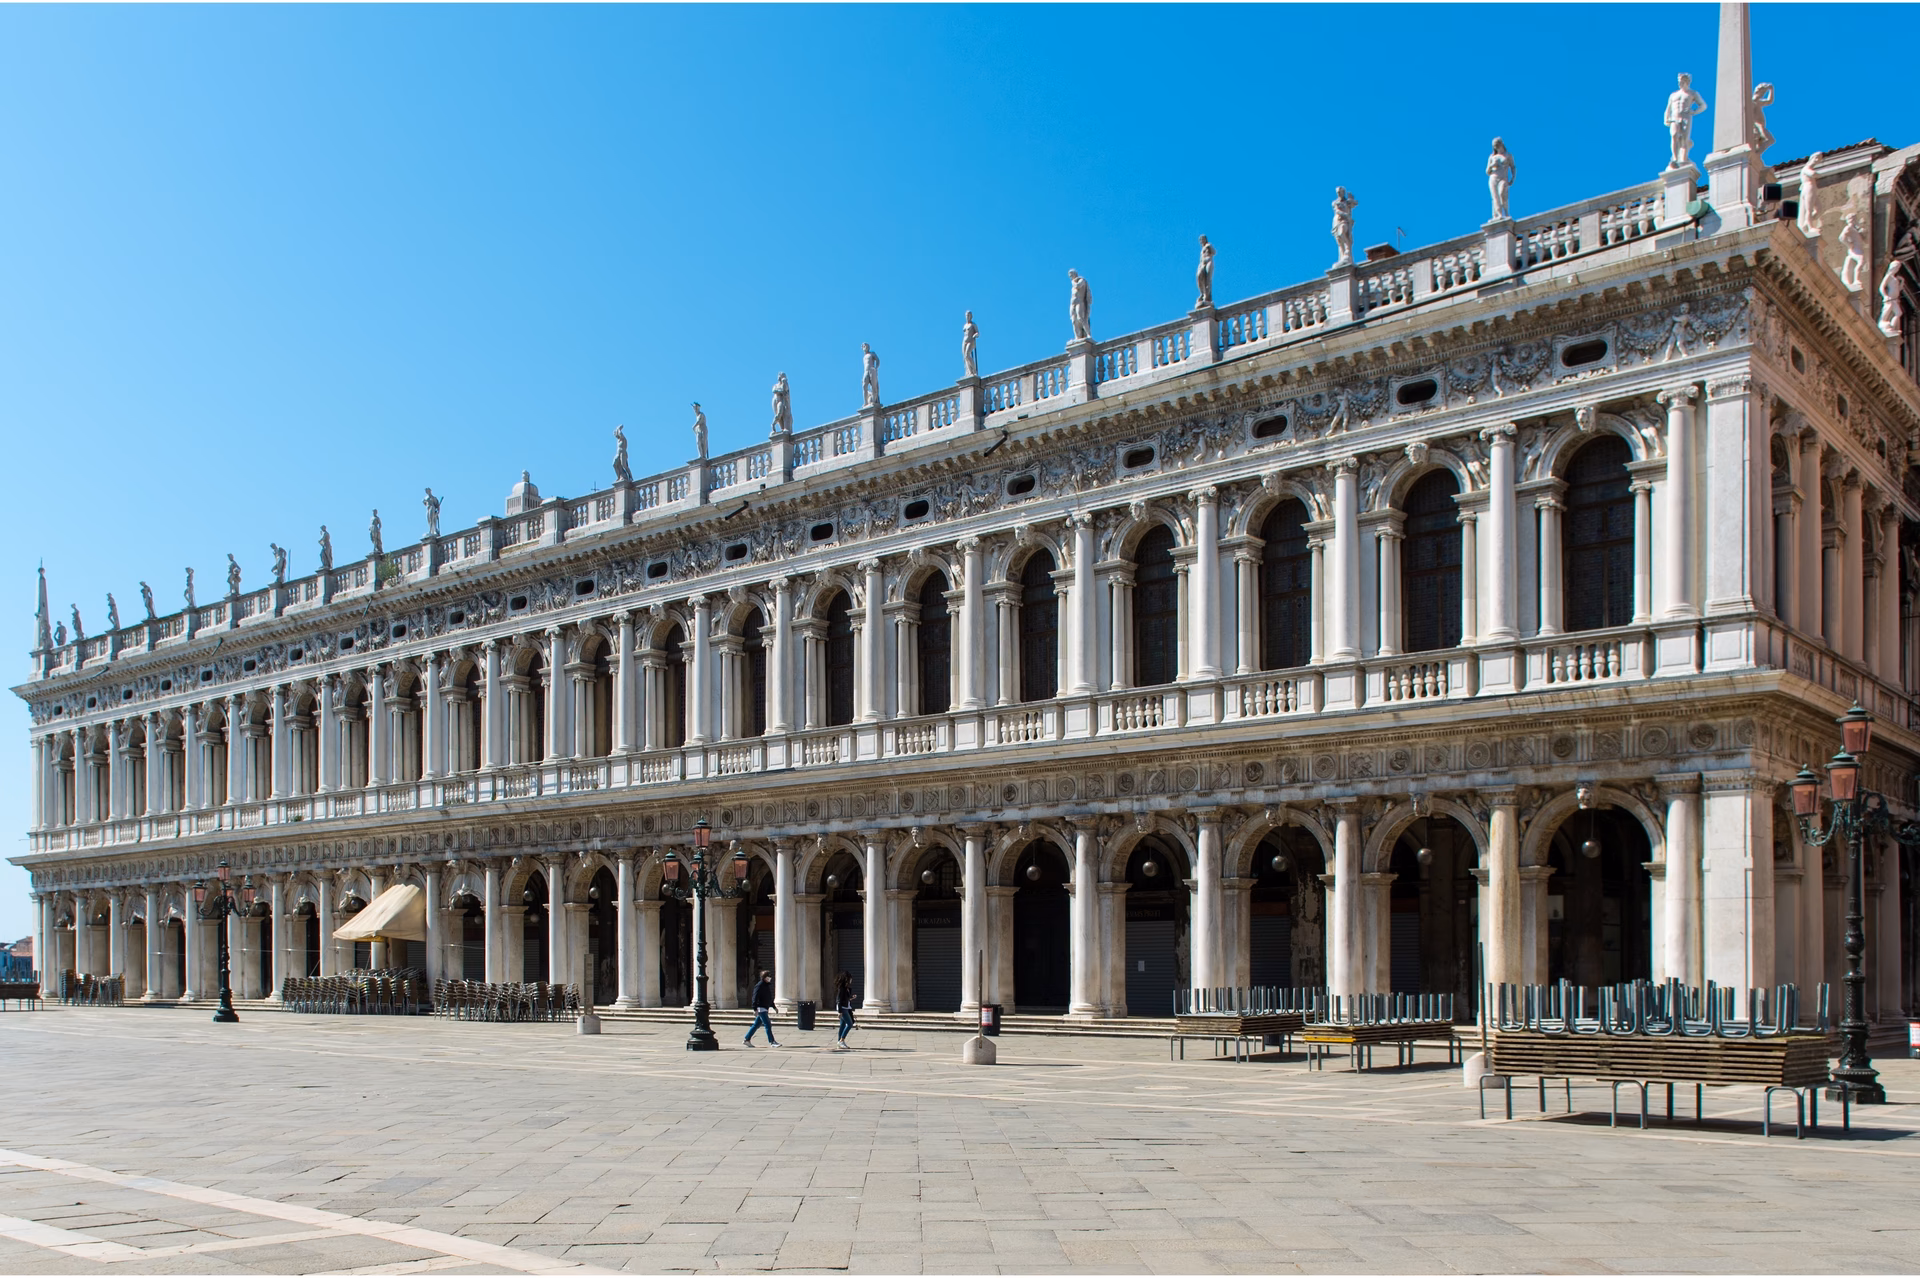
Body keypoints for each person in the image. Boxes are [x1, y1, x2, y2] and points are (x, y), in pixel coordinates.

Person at [744, 970, 779, 1046]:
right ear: (764, 977)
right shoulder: (759, 985)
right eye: (768, 977)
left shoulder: (766, 986)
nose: (769, 978)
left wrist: (773, 1006)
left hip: (765, 1008)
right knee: (768, 1025)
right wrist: (754, 1008)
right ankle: (772, 1041)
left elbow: (768, 998)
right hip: (761, 1008)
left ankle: (747, 1039)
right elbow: (755, 997)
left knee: (756, 1025)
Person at [834, 971, 856, 1049]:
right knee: (850, 1024)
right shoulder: (842, 988)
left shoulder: (847, 988)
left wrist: (851, 998)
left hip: (846, 1007)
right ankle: (841, 1040)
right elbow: (839, 1000)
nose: (851, 980)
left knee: (842, 1025)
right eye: (850, 978)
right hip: (842, 1008)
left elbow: (845, 999)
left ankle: (839, 1041)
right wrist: (839, 1011)